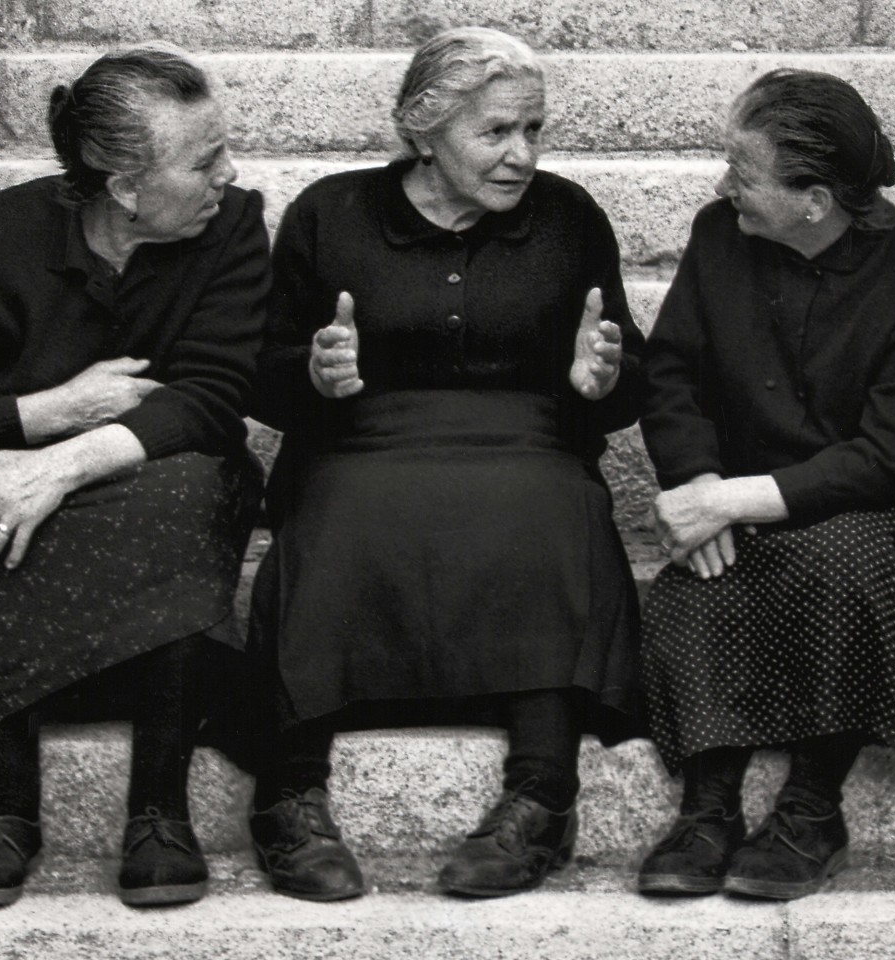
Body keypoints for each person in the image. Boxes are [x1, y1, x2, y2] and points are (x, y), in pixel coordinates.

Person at [0, 46, 269, 908]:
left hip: (145, 484)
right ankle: (3, 807)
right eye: (204, 160)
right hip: (20, 493)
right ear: (123, 187)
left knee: (195, 485)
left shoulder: (228, 226)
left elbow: (215, 397)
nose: (229, 173)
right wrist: (49, 413)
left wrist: (66, 464)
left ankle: (158, 810)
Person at [248, 26, 645, 901]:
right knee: (335, 512)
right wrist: (314, 376)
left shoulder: (569, 217)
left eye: (533, 130)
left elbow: (625, 383)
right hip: (363, 443)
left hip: (530, 444)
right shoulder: (331, 213)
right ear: (424, 129)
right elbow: (262, 377)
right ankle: (290, 795)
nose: (522, 155)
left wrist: (599, 379)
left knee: (556, 509)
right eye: (496, 132)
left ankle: (541, 797)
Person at [635, 68, 895, 901]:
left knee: (836, 555)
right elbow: (670, 372)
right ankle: (708, 808)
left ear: (814, 200)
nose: (722, 186)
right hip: (753, 481)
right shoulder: (718, 236)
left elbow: (890, 456)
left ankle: (813, 809)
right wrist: (701, 481)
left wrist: (732, 500)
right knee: (701, 577)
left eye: (743, 174)